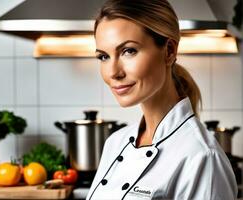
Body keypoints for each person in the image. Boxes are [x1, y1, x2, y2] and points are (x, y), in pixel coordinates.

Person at [86, 0, 238, 199]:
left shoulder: (202, 157)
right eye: (104, 56)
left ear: (169, 51)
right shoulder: (115, 143)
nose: (113, 72)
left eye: (128, 51)